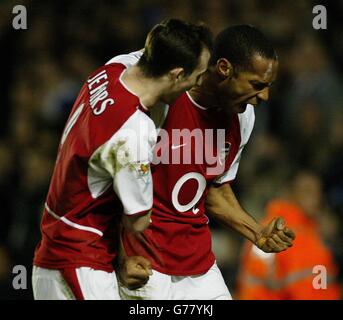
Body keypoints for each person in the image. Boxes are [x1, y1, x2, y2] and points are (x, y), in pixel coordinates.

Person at [32, 18, 213, 300]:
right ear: (177, 75)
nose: (199, 83)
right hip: (79, 263)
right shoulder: (134, 131)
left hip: (58, 254)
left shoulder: (110, 70)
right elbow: (139, 220)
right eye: (198, 76)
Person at [112, 25, 296, 300]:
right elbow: (110, 182)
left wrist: (256, 231)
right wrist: (120, 257)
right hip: (145, 264)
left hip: (197, 264)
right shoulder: (159, 98)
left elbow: (214, 190)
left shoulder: (242, 118)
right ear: (223, 68)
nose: (264, 97)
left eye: (268, 87)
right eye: (257, 85)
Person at [236, 171, 341, 300]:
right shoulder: (298, 235)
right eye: (307, 191)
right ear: (290, 194)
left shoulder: (265, 225)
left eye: (318, 192)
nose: (316, 198)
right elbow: (307, 291)